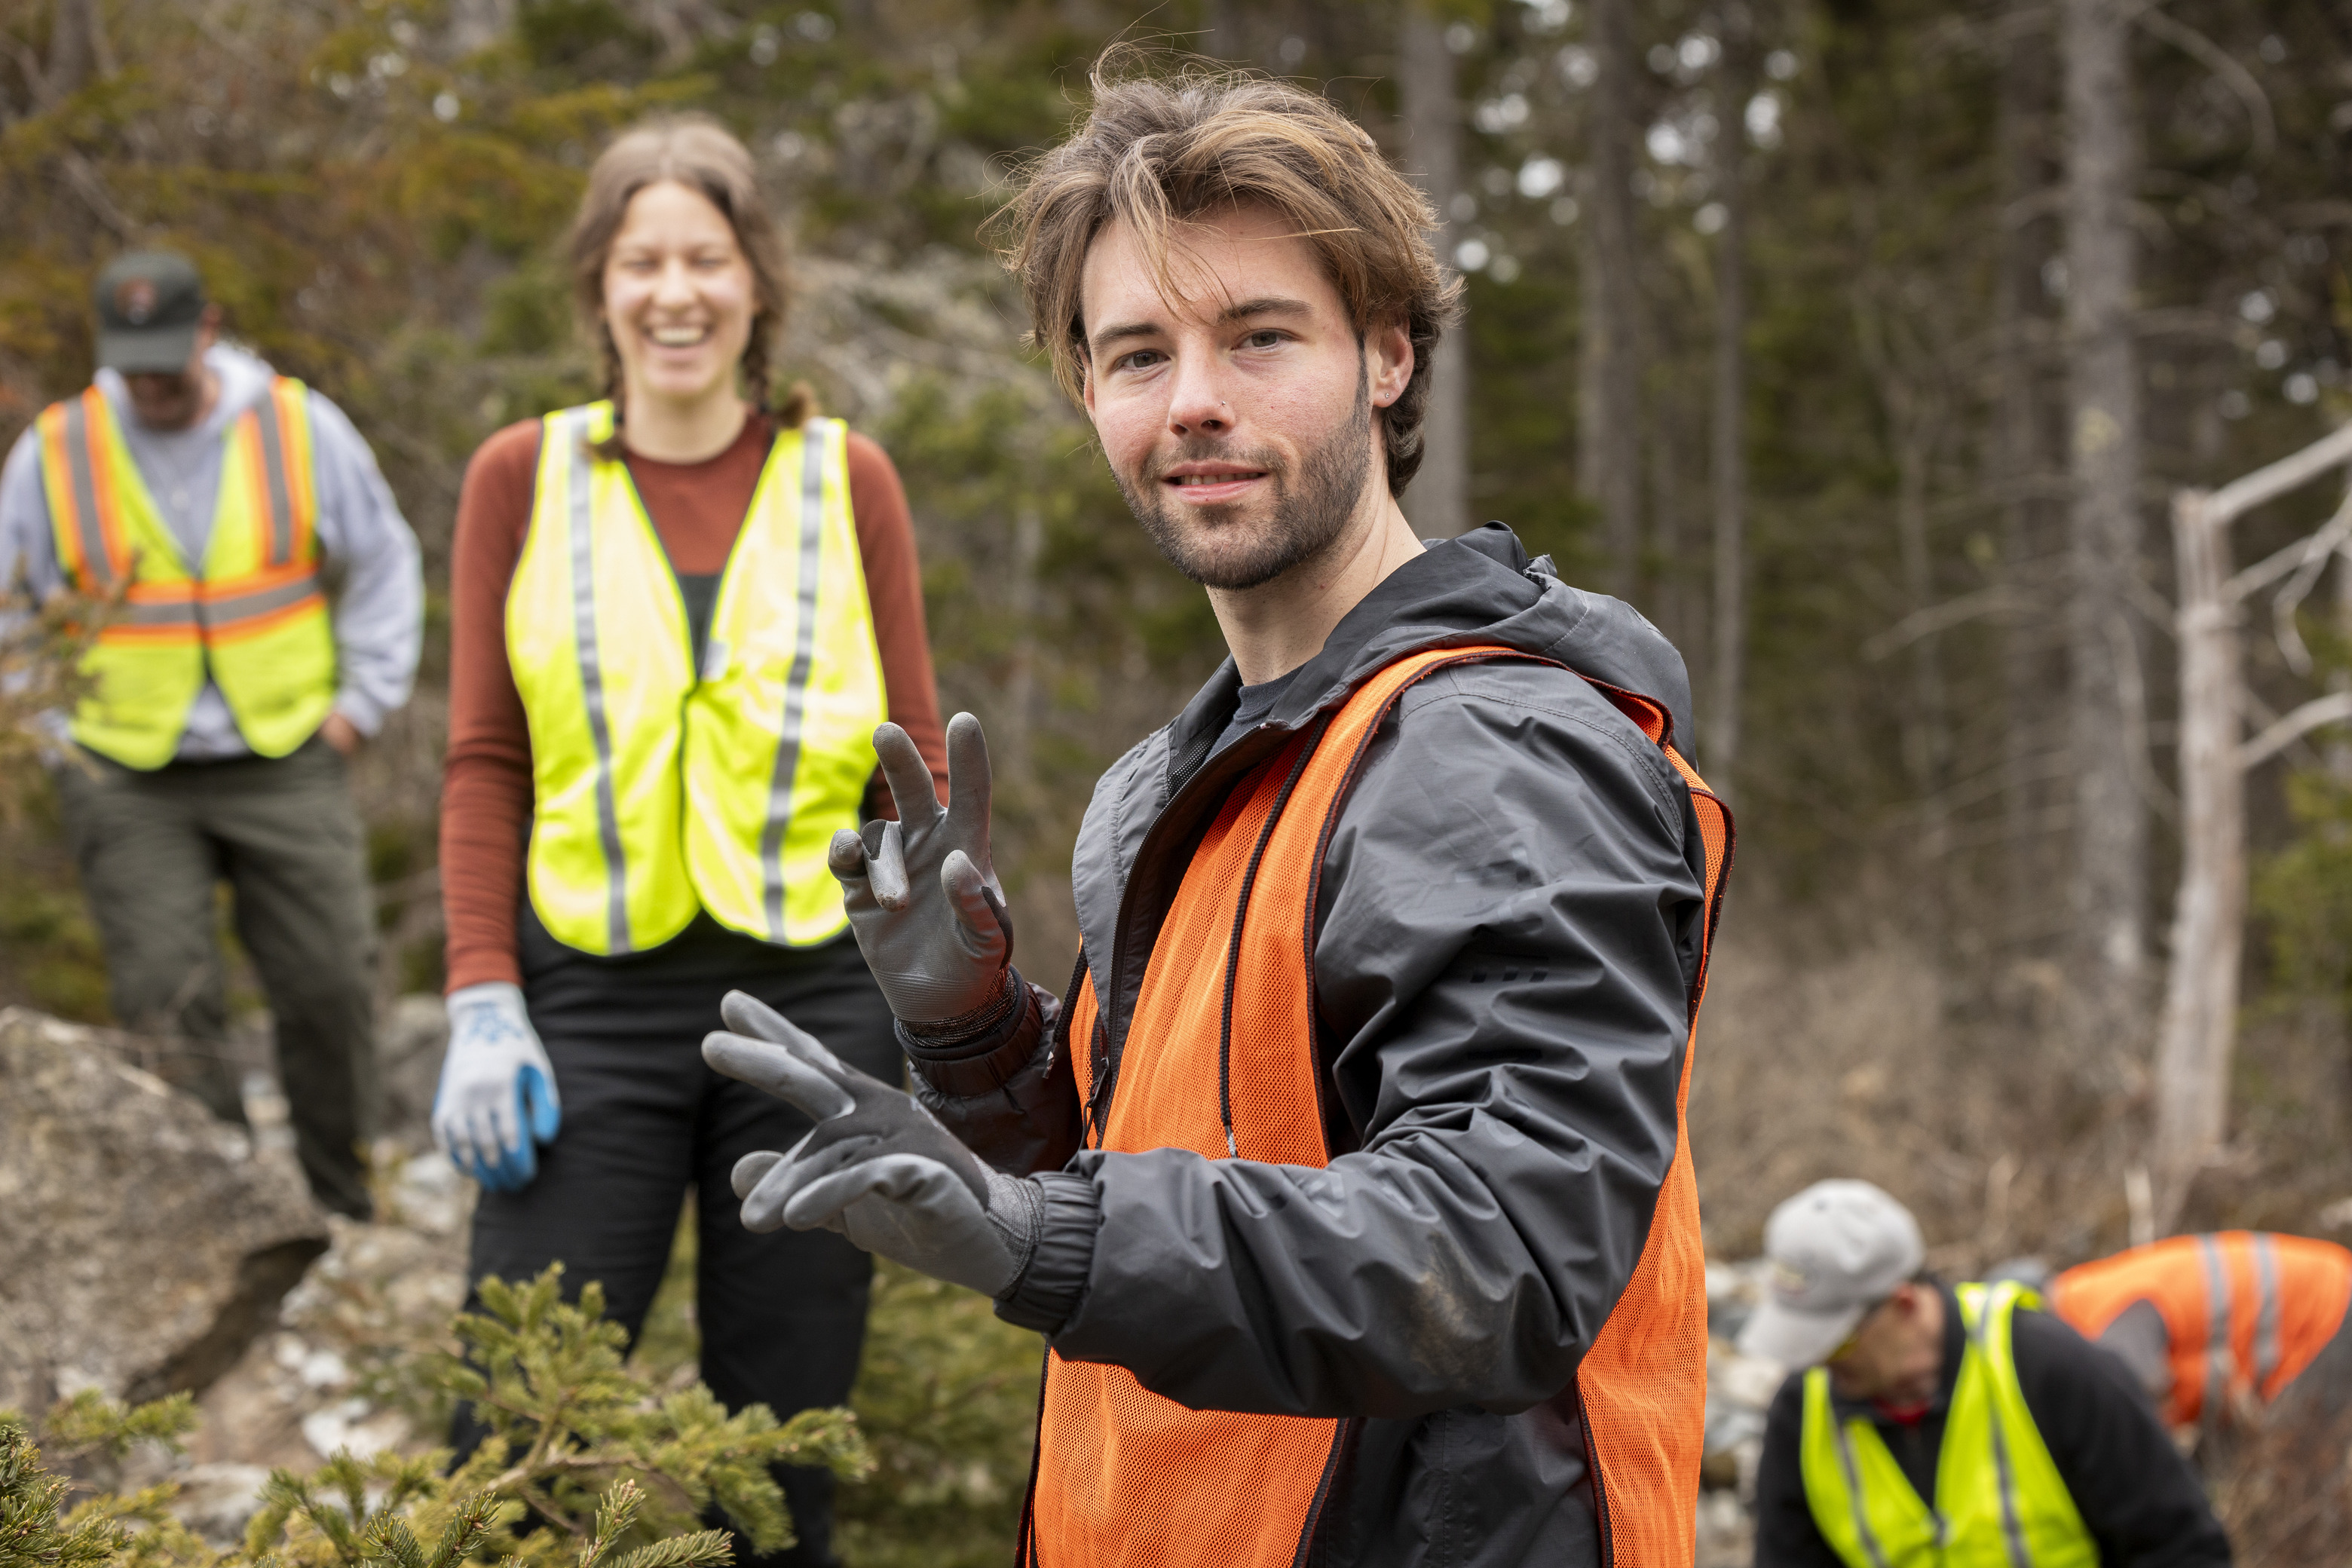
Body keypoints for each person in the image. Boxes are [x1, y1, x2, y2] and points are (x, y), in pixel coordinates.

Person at [699, 60, 1732, 1567]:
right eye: (1136, 355)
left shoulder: (1490, 744)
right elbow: (1196, 1162)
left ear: (1386, 355)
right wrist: (983, 1038)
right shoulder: (1179, 777)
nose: (1194, 401)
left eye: (1258, 337)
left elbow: (1501, 1251)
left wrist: (1042, 1241)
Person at [432, 115, 947, 1568]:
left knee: (780, 1445)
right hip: (582, 997)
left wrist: (931, 1005)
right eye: (642, 260)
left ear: (756, 284)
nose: (676, 292)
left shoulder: (851, 482)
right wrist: (481, 998)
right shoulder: (518, 479)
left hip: (814, 1004)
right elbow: (485, 760)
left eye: (706, 260)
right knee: (512, 1427)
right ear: (600, 286)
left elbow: (907, 769)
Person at [0, 249, 422, 1220]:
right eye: (129, 361)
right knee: (165, 991)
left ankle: (342, 1205)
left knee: (326, 983)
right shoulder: (56, 451)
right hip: (122, 767)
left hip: (287, 754)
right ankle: (223, 1217)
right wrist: (54, 729)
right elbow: (13, 605)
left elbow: (384, 562)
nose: (147, 381)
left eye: (165, 357)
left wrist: (360, 705)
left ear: (208, 328)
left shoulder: (296, 426)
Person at [1740, 1180, 2232, 1567]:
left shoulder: (2053, 1369)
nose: (1819, 1361)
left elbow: (2183, 1550)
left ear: (1904, 1304)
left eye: (1837, 1340)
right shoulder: (1800, 1415)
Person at [2045, 1230, 2352, 1439]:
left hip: (2330, 1314)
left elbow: (2131, 1394)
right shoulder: (2093, 1298)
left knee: (2292, 1471)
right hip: (2326, 1310)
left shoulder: (2102, 1314)